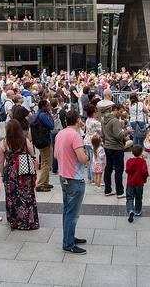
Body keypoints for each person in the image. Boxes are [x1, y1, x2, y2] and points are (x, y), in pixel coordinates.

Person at [54, 110, 89, 254]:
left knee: (67, 210)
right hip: (74, 178)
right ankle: (68, 243)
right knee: (72, 213)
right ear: (77, 120)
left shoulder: (60, 134)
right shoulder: (75, 135)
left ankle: (69, 237)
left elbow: (56, 155)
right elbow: (82, 158)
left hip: (64, 176)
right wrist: (87, 157)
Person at [0, 119, 39, 230]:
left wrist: (2, 174)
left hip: (10, 173)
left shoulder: (4, 143)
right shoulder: (25, 141)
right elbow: (33, 155)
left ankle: (14, 220)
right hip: (24, 171)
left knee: (12, 197)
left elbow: (1, 162)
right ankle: (29, 220)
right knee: (26, 195)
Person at [102, 103, 130, 198]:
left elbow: (103, 134)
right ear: (115, 110)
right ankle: (120, 192)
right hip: (116, 148)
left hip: (107, 146)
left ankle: (107, 190)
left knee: (108, 168)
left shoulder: (104, 119)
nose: (121, 114)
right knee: (118, 170)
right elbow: (119, 135)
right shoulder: (114, 121)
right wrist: (127, 131)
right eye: (120, 111)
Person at [31, 100, 55, 192]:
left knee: (45, 161)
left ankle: (45, 182)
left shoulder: (36, 115)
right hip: (45, 141)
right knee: (46, 163)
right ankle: (40, 184)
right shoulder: (43, 115)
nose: (49, 107)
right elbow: (51, 126)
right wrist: (51, 116)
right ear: (44, 107)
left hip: (39, 141)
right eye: (48, 106)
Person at [125, 145, 149, 223]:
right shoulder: (142, 161)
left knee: (129, 197)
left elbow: (127, 170)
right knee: (138, 197)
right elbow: (144, 172)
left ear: (132, 152)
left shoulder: (129, 161)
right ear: (141, 153)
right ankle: (137, 211)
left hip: (130, 183)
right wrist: (146, 175)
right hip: (139, 183)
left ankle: (130, 210)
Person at [83, 104, 102, 184]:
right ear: (94, 112)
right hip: (94, 142)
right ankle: (94, 178)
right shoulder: (96, 122)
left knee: (89, 160)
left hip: (87, 140)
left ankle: (90, 177)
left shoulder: (87, 120)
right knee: (95, 160)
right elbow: (101, 132)